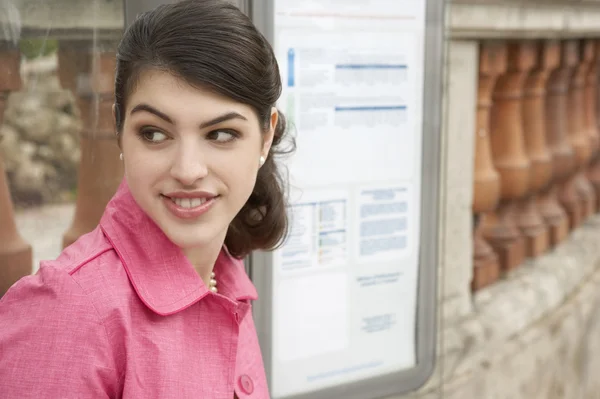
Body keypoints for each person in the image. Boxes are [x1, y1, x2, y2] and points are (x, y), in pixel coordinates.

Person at [0, 0, 293, 397]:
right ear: (120, 132)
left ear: (265, 137)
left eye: (220, 134)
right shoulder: (69, 309)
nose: (188, 170)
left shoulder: (224, 275)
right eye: (154, 133)